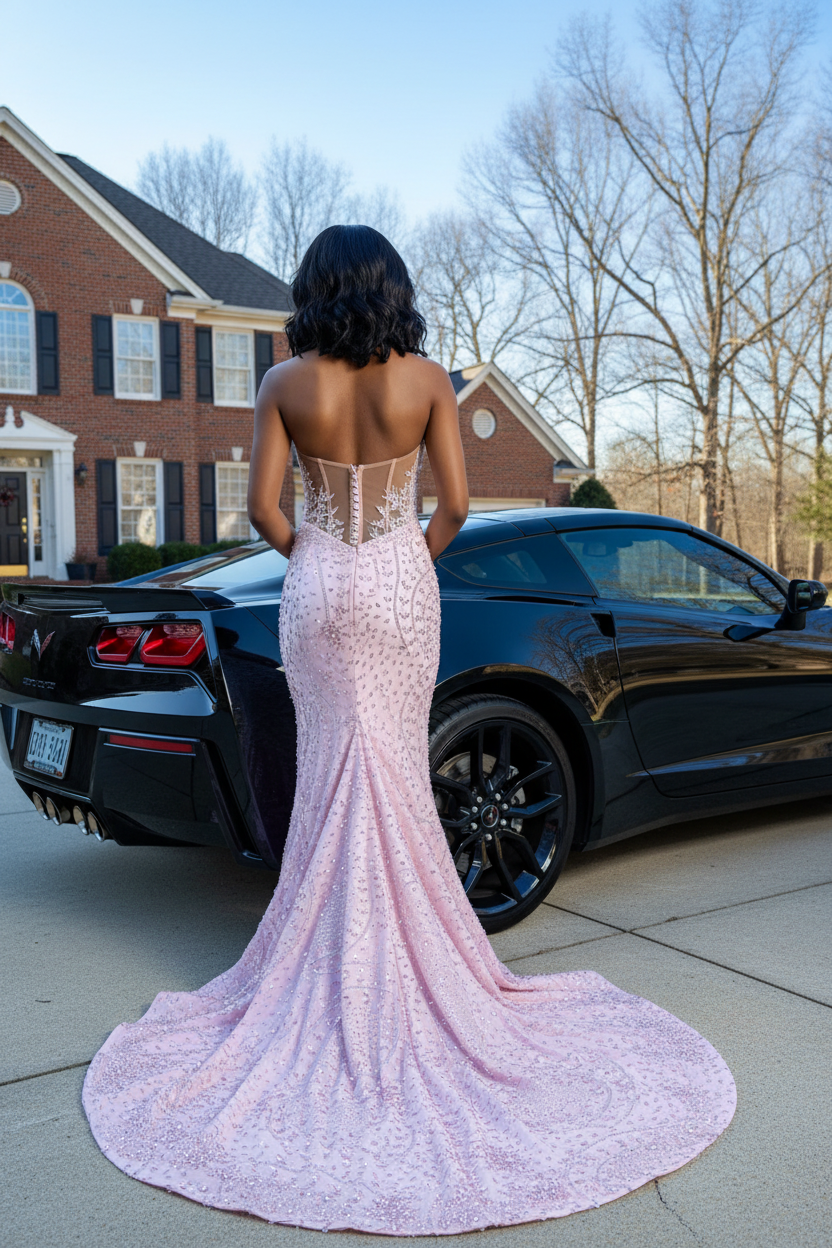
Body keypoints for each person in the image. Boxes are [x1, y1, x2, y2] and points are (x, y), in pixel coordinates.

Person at [83, 225, 736, 1235]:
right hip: (397, 581)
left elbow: (262, 507)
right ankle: (406, 963)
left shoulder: (283, 383)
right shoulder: (429, 378)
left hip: (319, 586)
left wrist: (325, 557)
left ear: (312, 290)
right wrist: (393, 554)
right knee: (391, 768)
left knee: (333, 775)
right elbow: (458, 506)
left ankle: (329, 963)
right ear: (389, 288)